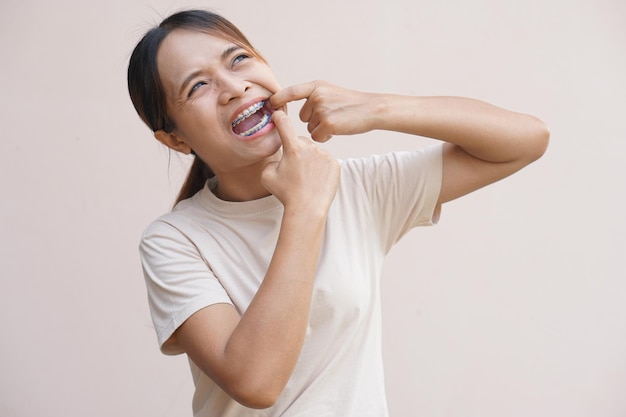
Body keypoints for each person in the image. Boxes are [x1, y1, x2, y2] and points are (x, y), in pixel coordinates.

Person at [127, 9, 549, 417]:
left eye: (239, 60)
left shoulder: (358, 189)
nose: (234, 87)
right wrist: (305, 207)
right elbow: (256, 382)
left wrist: (378, 108)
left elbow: (527, 139)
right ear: (175, 140)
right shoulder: (174, 241)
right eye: (197, 86)